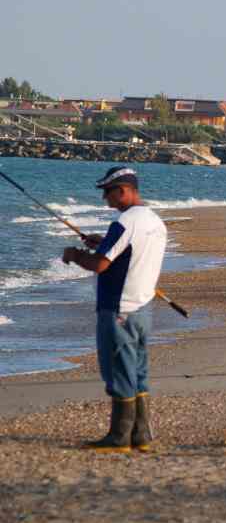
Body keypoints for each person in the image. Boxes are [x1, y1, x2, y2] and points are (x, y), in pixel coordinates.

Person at [61, 166, 167, 453]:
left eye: (107, 193)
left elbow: (100, 265)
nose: (105, 199)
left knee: (118, 372)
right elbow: (130, 254)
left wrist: (74, 255)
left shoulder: (125, 222)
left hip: (119, 310)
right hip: (143, 309)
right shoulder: (155, 222)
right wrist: (101, 242)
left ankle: (119, 437)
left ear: (122, 190)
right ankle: (141, 435)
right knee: (139, 373)